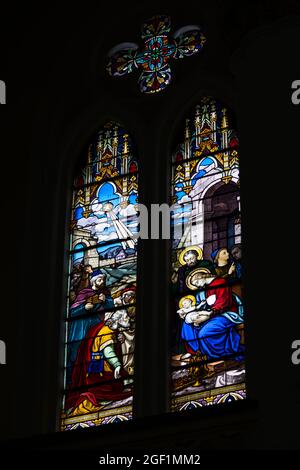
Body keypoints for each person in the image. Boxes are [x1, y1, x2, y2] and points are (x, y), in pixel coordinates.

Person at [66, 310, 132, 416]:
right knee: (122, 382)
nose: (129, 319)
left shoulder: (109, 329)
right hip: (100, 370)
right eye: (126, 317)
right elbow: (108, 352)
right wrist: (117, 365)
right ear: (119, 320)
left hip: (100, 368)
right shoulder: (107, 332)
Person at [181, 269, 244, 362]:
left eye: (197, 282)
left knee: (204, 333)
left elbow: (223, 303)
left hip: (225, 315)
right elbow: (204, 305)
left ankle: (216, 356)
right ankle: (195, 351)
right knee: (186, 323)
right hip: (211, 315)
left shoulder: (221, 282)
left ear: (202, 276)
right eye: (195, 285)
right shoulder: (205, 289)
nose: (197, 286)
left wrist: (208, 315)